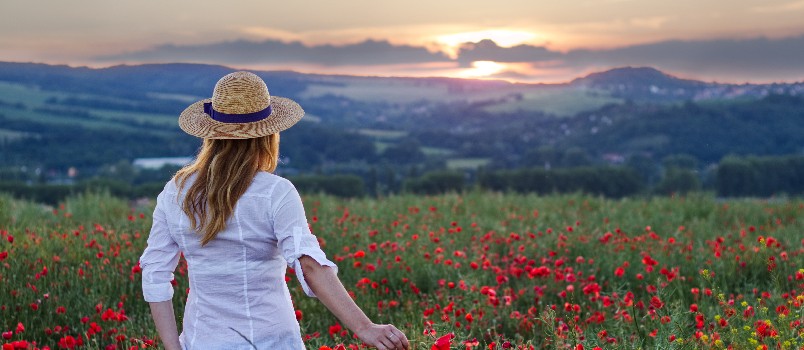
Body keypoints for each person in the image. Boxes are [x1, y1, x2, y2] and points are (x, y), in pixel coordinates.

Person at [139, 71, 409, 350]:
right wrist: (365, 328)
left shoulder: (176, 191)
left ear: (211, 134)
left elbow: (154, 272)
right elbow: (310, 265)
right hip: (272, 341)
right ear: (268, 136)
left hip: (201, 341)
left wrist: (174, 347)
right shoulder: (275, 192)